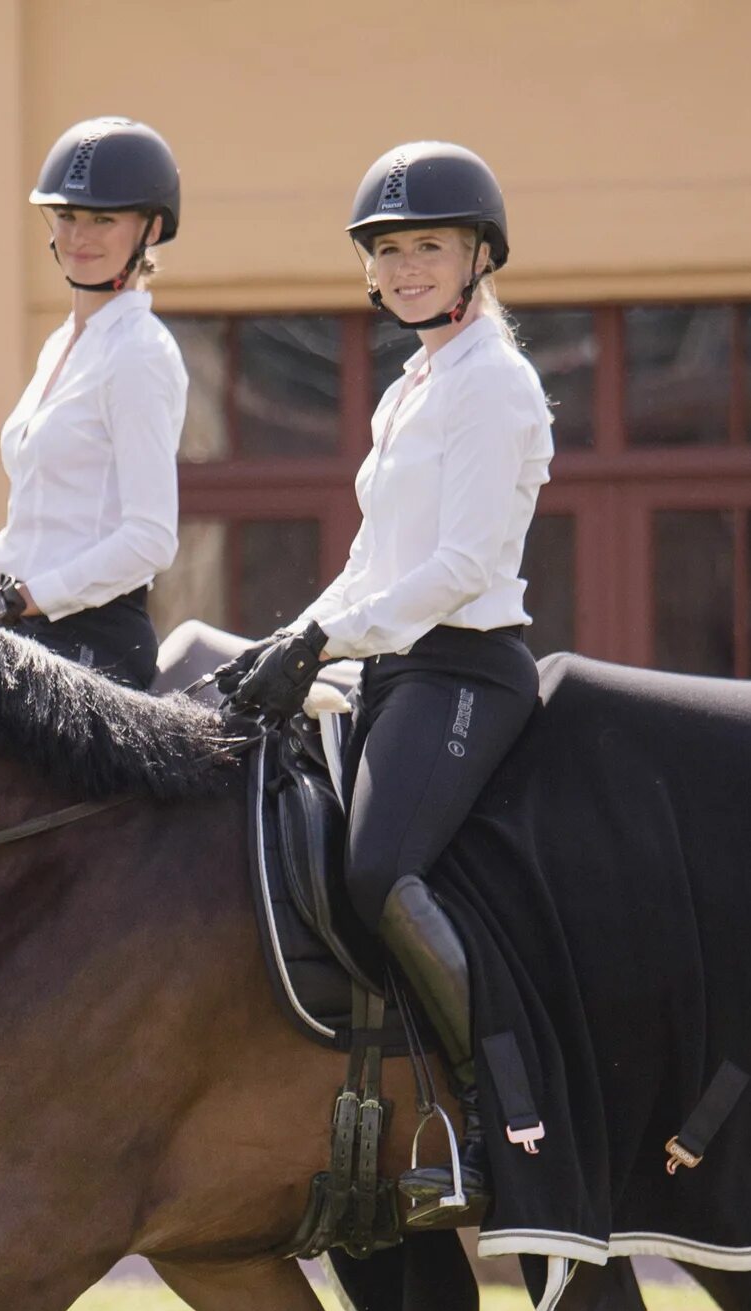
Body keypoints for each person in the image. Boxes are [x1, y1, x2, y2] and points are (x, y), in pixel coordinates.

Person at [225, 141, 553, 1224]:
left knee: (378, 871)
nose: (407, 266)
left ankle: (497, 1122)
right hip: (396, 663)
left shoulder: (496, 381)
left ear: (477, 256)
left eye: (429, 247)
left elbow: (458, 567)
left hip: (463, 666)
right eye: (390, 250)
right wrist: (292, 637)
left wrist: (327, 643)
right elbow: (376, 558)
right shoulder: (415, 385)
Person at [0, 117, 189, 690]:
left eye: (103, 219)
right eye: (67, 216)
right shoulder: (62, 345)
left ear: (151, 228)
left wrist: (24, 600)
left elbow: (149, 540)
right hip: (27, 628)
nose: (79, 235)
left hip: (94, 642)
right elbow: (29, 539)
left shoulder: (138, 354)